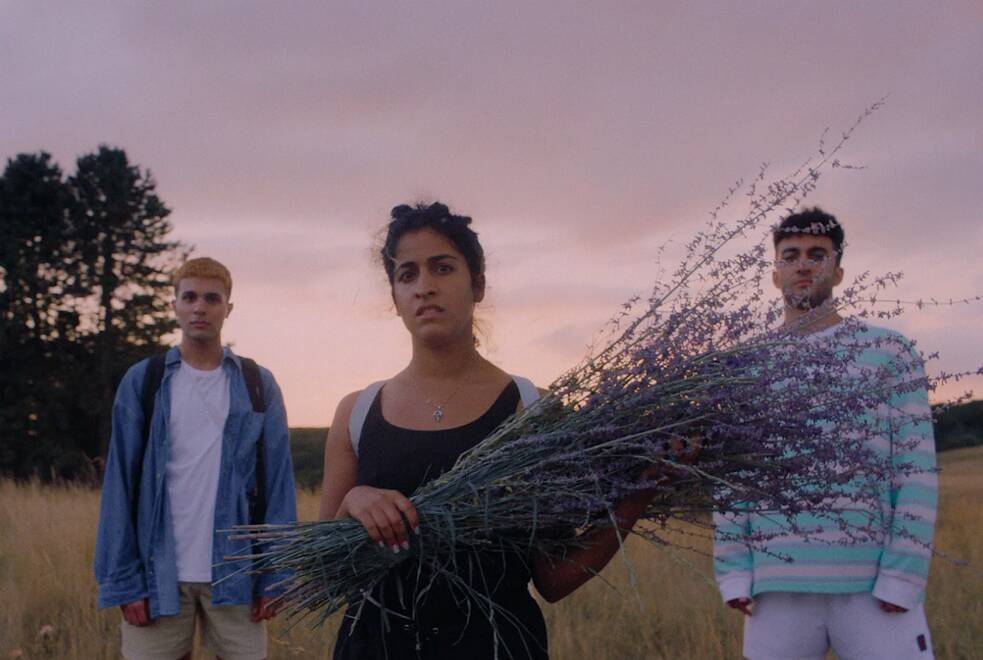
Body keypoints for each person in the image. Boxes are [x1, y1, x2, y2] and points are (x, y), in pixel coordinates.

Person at [319, 202, 660, 660]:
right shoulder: (356, 412)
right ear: (395, 296)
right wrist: (351, 503)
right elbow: (327, 573)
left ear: (477, 284)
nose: (425, 287)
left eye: (442, 268)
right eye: (407, 274)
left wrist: (645, 485)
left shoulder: (533, 410)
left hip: (498, 647)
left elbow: (554, 578)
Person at [713, 207, 937, 659]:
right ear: (775, 273)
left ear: (837, 270)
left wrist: (903, 576)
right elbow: (732, 479)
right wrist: (734, 570)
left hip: (874, 586)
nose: (803, 264)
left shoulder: (889, 351)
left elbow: (916, 471)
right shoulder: (743, 366)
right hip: (776, 583)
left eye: (818, 254)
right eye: (790, 255)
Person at [95, 257, 297, 660]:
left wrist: (275, 577)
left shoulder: (257, 383)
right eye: (189, 297)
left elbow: (278, 485)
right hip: (158, 575)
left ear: (228, 308)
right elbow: (119, 484)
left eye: (211, 298)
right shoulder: (144, 381)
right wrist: (124, 580)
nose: (199, 307)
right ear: (174, 305)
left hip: (237, 572)